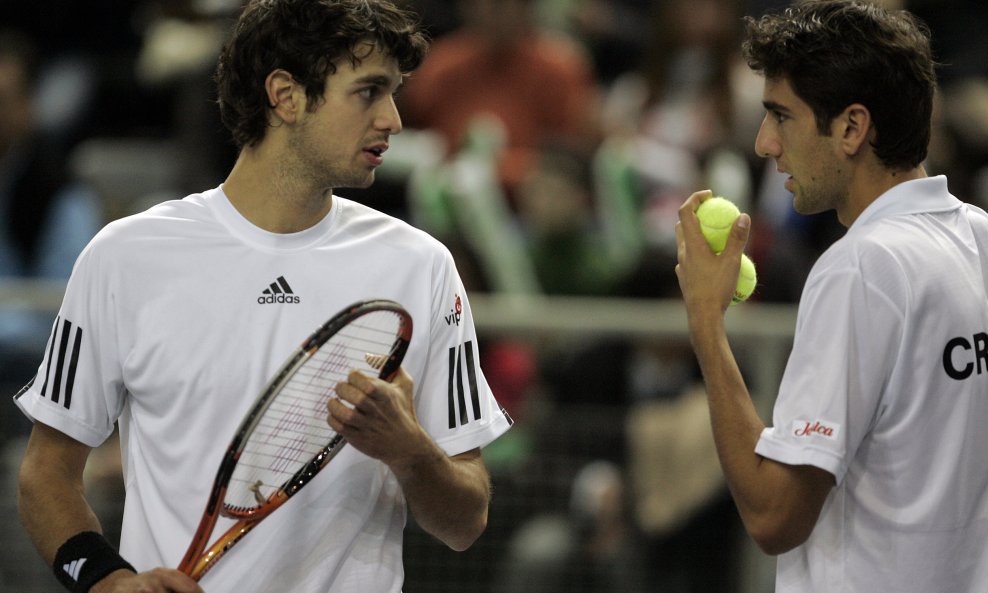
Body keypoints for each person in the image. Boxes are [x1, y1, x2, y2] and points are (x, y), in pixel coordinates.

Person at [14, 1, 512, 593]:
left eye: (395, 92)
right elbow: (46, 474)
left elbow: (466, 522)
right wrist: (105, 582)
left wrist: (410, 453)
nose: (394, 120)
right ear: (286, 95)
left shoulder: (423, 267)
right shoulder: (123, 256)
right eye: (369, 91)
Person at [674, 1, 988, 592]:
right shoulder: (979, 236)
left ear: (851, 127)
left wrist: (705, 323)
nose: (766, 144)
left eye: (781, 116)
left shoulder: (862, 267)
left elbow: (774, 516)